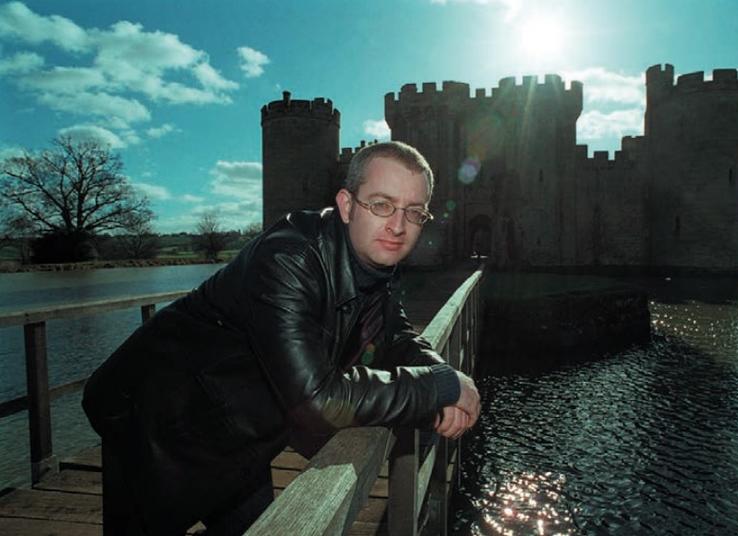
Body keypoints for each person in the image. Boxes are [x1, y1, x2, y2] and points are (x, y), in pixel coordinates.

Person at [82, 140, 481, 536]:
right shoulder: (289, 259)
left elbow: (396, 336)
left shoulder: (374, 265)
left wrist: (441, 373)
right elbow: (319, 400)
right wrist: (442, 385)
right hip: (154, 424)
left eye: (414, 212)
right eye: (381, 204)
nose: (398, 225)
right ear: (346, 205)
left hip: (243, 433)